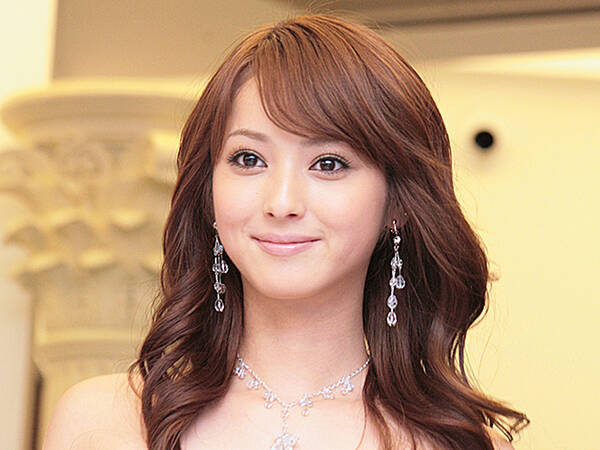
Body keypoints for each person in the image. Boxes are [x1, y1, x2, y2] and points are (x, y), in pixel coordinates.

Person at [42, 13, 529, 450]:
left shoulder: (456, 445)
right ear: (209, 191)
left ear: (396, 203)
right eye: (248, 159)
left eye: (328, 163)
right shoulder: (101, 422)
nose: (281, 203)